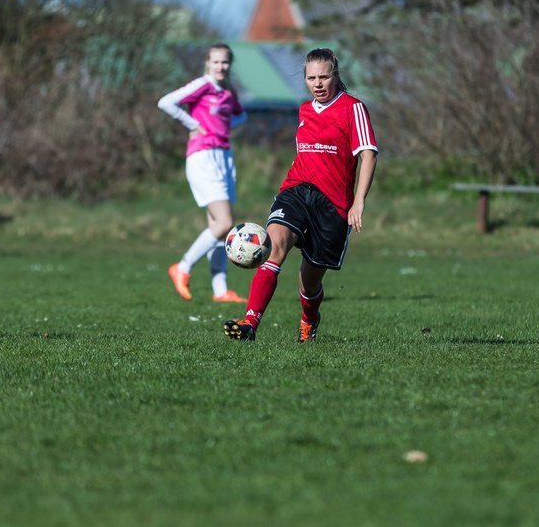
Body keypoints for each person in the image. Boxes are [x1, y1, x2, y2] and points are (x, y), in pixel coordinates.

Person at [223, 47, 377, 342]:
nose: (317, 84)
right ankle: (250, 324)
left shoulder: (353, 108)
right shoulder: (304, 110)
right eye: (311, 78)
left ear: (336, 76)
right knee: (273, 248)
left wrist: (358, 202)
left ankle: (309, 320)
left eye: (323, 77)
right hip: (296, 190)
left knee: (309, 283)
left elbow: (368, 154)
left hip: (332, 205)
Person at [157, 43, 248, 303]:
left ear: (230, 65)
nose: (221, 66)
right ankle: (182, 268)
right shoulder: (204, 85)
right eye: (216, 62)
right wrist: (194, 124)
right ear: (208, 63)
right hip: (202, 157)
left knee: (217, 228)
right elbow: (165, 102)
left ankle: (221, 291)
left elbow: (241, 116)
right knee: (225, 223)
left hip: (224, 157)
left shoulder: (228, 92)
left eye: (225, 62)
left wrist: (223, 124)